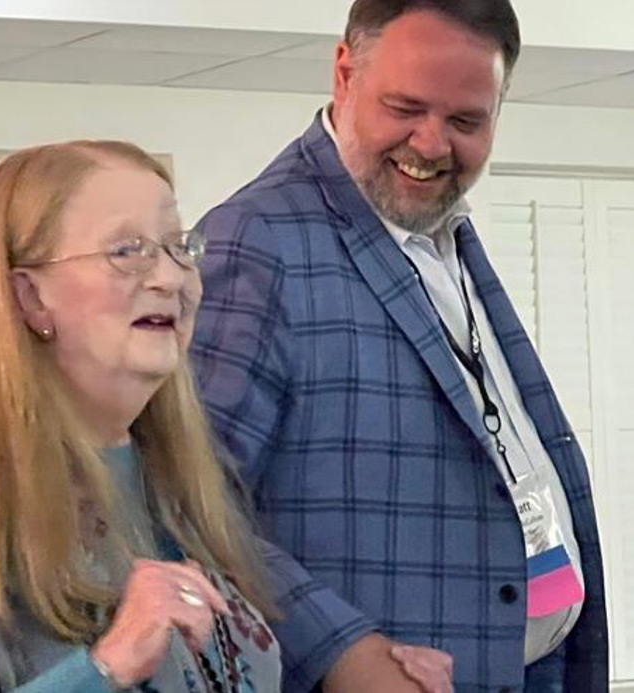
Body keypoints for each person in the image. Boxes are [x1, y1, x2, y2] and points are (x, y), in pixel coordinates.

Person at [188, 0, 607, 690]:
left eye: (466, 120)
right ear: (344, 73)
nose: (433, 143)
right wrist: (342, 650)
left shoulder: (438, 230)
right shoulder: (257, 240)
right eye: (406, 107)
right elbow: (188, 502)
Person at [0, 140, 281, 691]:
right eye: (126, 250)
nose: (171, 278)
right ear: (32, 297)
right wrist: (107, 666)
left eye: (178, 246)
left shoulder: (182, 470)